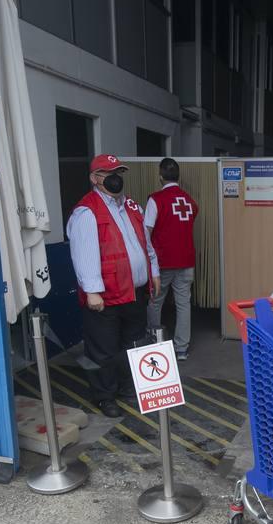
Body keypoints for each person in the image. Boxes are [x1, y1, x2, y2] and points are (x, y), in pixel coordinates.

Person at [67, 154, 160, 418]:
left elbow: (145, 243)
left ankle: (127, 387)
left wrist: (153, 270)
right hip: (105, 297)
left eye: (118, 171)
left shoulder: (132, 207)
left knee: (132, 344)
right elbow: (83, 253)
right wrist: (92, 292)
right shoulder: (87, 211)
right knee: (103, 351)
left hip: (134, 292)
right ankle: (104, 397)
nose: (115, 177)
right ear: (95, 179)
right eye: (109, 173)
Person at [145, 158, 198, 361]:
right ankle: (181, 349)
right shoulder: (189, 200)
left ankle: (154, 345)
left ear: (160, 176)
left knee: (155, 302)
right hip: (186, 260)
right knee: (183, 304)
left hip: (163, 262)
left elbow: (146, 232)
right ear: (178, 176)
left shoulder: (155, 200)